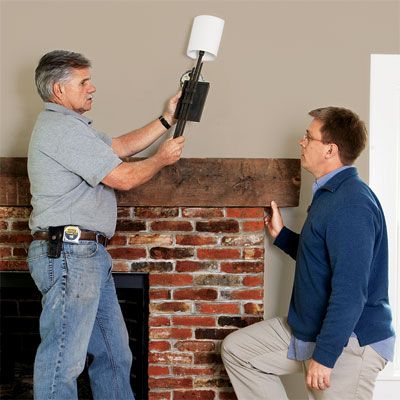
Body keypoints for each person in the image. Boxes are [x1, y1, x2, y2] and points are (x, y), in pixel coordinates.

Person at [27, 50, 185, 400]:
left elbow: (118, 148)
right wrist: (161, 160)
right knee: (62, 362)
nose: (92, 88)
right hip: (69, 254)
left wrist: (166, 119)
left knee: (115, 355)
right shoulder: (59, 129)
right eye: (83, 82)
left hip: (87, 256)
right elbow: (122, 176)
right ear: (58, 90)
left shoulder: (72, 128)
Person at [221, 107, 395, 399]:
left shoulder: (351, 204)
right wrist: (283, 237)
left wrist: (326, 357)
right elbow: (324, 257)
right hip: (309, 328)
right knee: (239, 351)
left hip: (349, 341)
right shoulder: (331, 194)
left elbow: (351, 291)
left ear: (330, 149)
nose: (301, 142)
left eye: (308, 137)